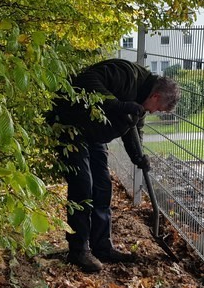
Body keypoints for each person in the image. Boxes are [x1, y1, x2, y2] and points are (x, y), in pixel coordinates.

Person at [48, 58, 181, 273]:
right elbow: (87, 81)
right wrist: (119, 106)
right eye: (158, 109)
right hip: (70, 124)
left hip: (94, 133)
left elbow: (133, 129)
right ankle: (78, 250)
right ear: (155, 96)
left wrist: (138, 157)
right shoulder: (126, 74)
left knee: (102, 185)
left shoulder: (141, 101)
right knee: (83, 185)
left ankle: (102, 247)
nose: (153, 112)